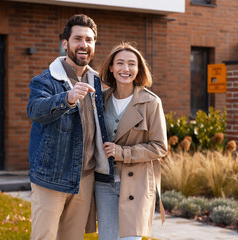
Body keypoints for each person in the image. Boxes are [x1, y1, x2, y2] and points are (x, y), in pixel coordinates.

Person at [27, 14, 107, 240]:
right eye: (78, 39)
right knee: (44, 236)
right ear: (65, 43)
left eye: (89, 40)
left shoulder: (97, 82)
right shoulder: (45, 80)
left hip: (85, 178)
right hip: (51, 176)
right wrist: (68, 98)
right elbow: (35, 110)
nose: (84, 45)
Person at [94, 42, 168, 240]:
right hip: (103, 183)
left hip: (136, 182)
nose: (125, 69)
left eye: (131, 64)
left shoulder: (151, 102)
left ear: (138, 69)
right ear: (111, 67)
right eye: (120, 63)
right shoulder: (100, 100)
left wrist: (123, 153)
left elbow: (160, 147)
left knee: (130, 238)